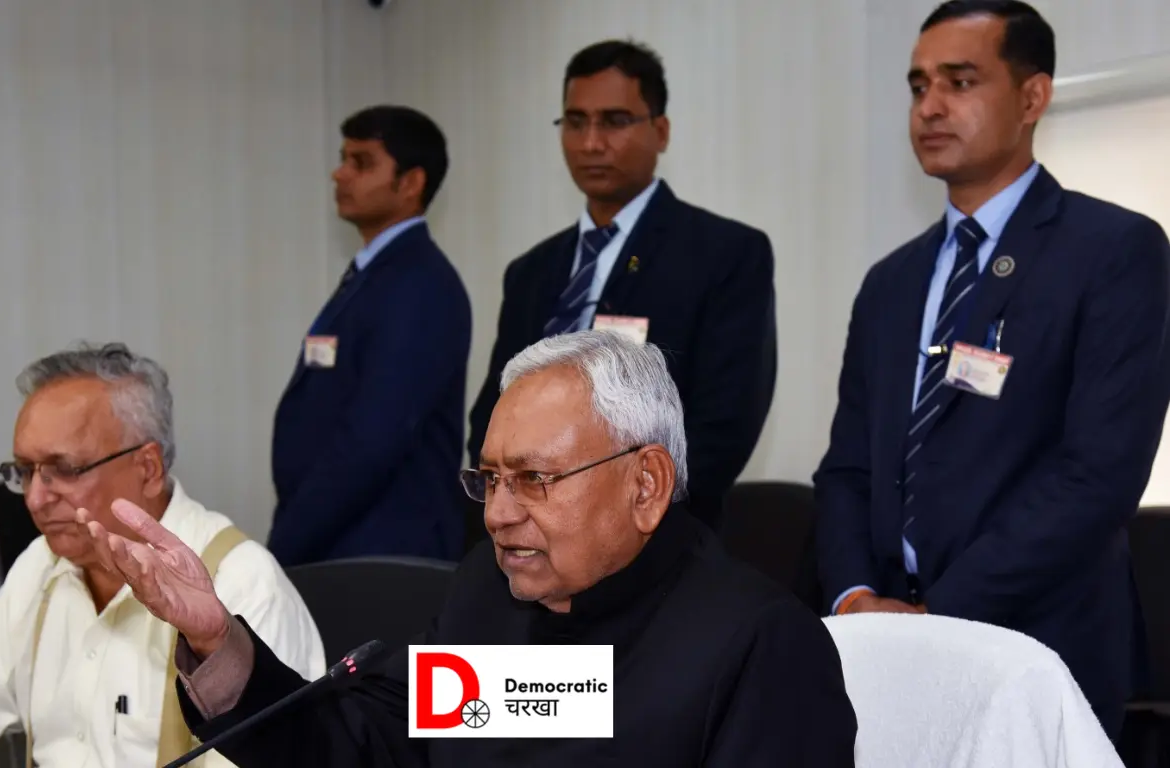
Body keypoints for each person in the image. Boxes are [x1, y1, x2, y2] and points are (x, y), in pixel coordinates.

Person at [85, 331, 857, 767]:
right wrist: (217, 638)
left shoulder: (758, 646)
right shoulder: (496, 593)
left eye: (533, 480)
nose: (499, 515)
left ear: (646, 483)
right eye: (489, 479)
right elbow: (368, 751)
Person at [815, 0, 1170, 740]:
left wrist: (937, 615)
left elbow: (1097, 476)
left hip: (1041, 646)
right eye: (918, 86)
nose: (929, 107)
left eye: (960, 81)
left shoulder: (1114, 250)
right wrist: (854, 600)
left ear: (1032, 97)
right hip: (886, 647)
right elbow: (848, 470)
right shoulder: (891, 282)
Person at [0, 343, 325, 768]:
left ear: (148, 468)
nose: (35, 499)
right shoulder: (41, 566)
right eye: (25, 471)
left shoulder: (241, 583)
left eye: (64, 469)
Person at [463, 40, 776, 549]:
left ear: (661, 130)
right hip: (522, 542)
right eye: (575, 122)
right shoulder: (531, 271)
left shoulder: (724, 254)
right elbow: (490, 415)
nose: (591, 142)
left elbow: (723, 432)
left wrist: (608, 523)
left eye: (614, 121)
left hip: (657, 547)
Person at [268, 105, 472, 567]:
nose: (339, 174)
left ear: (411, 182)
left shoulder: (420, 284)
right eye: (343, 159)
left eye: (361, 163)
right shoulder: (375, 274)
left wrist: (287, 542)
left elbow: (373, 440)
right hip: (343, 540)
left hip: (383, 552)